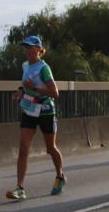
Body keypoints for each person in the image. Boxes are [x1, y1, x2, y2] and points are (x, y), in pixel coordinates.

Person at [6, 35, 65, 200]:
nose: (29, 51)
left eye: (32, 47)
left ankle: (60, 176)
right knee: (23, 149)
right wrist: (21, 91)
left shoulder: (44, 68)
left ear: (39, 50)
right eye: (26, 47)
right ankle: (20, 188)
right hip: (29, 110)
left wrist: (36, 89)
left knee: (50, 148)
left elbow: (55, 93)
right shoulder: (25, 66)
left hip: (45, 110)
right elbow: (26, 84)